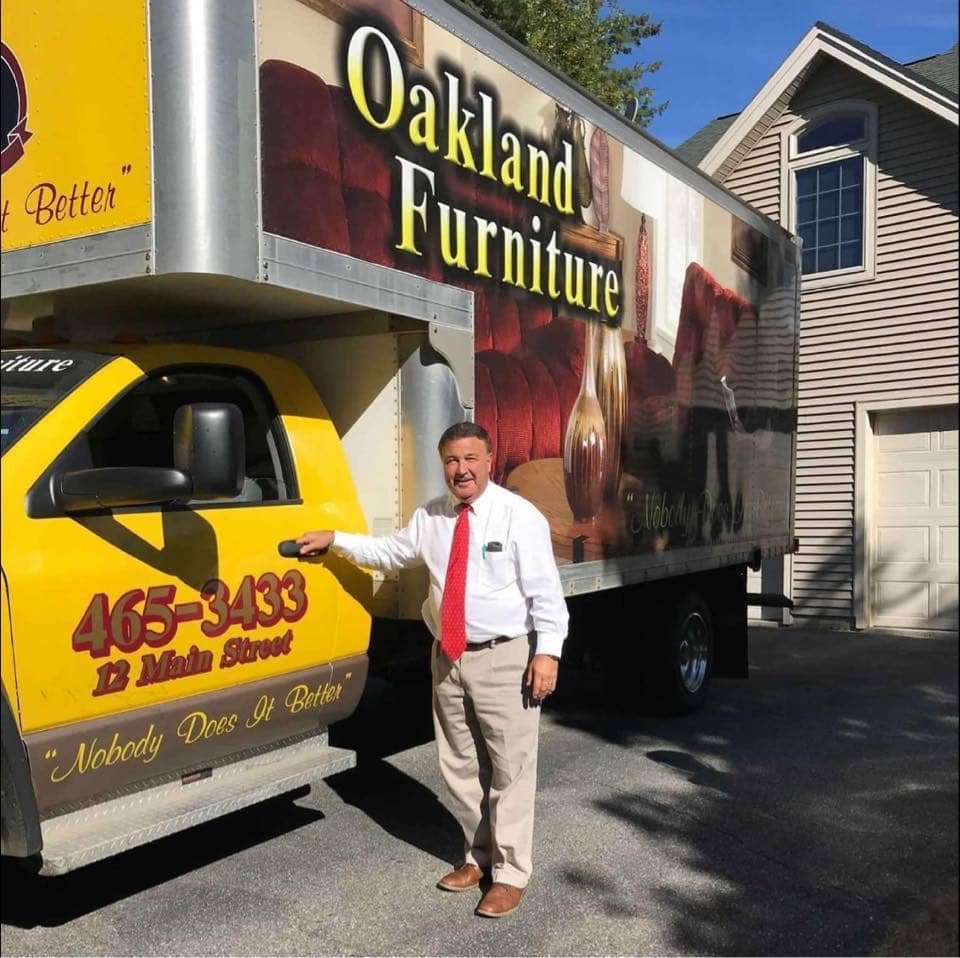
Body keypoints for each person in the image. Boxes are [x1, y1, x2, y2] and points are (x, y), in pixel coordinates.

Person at [296, 421, 568, 918]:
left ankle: (510, 875)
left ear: (490, 460)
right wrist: (335, 540)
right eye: (451, 461)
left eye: (470, 459)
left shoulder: (518, 517)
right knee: (459, 764)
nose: (461, 470)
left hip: (504, 655)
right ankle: (477, 857)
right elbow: (390, 553)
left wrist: (547, 652)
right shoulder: (433, 517)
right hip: (448, 656)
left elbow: (546, 593)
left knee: (510, 768)